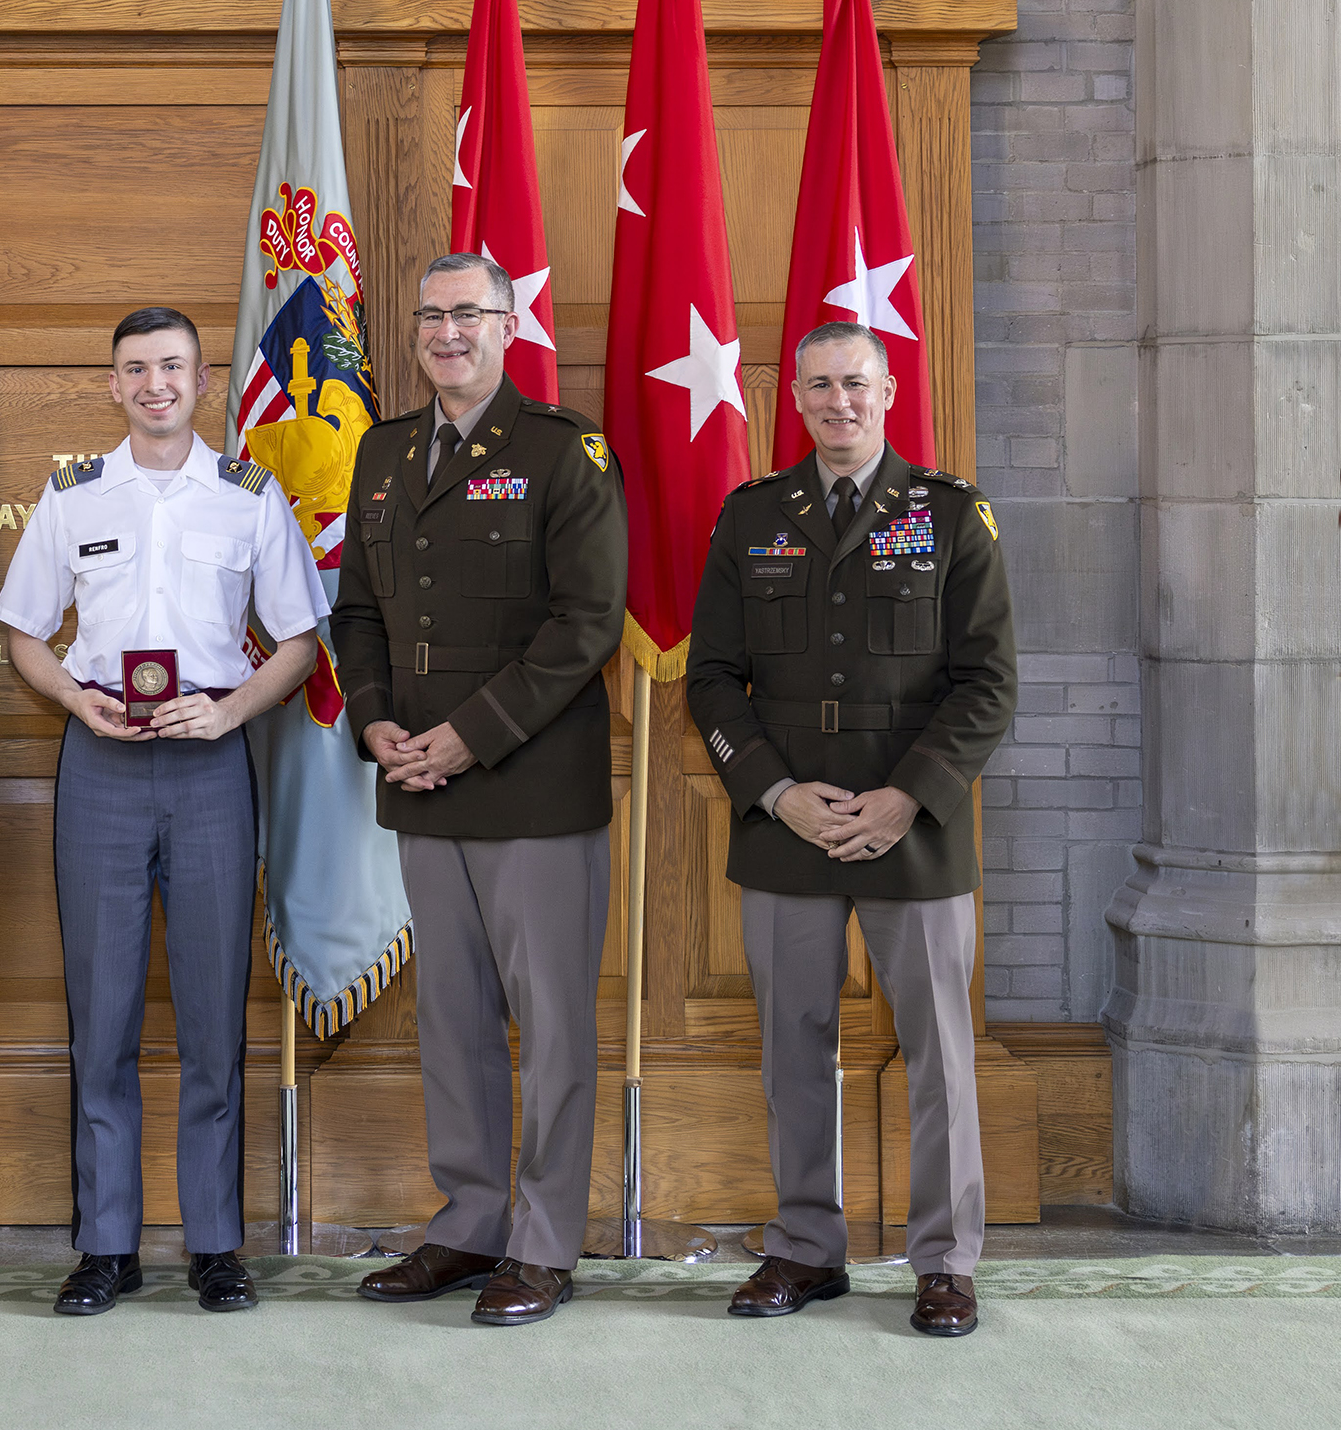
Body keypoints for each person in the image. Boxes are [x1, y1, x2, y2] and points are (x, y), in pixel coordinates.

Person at [0, 306, 325, 1316]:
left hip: (212, 769)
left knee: (215, 1011)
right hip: (100, 764)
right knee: (102, 1013)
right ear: (113, 384)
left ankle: (216, 1242)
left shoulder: (248, 497)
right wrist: (72, 696)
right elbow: (22, 633)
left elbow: (300, 642)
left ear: (201, 378)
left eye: (172, 366)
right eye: (136, 368)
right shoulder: (71, 493)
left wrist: (228, 709)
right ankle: (106, 1242)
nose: (154, 384)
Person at [688, 320, 1015, 1337]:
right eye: (821, 385)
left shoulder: (951, 515)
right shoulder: (751, 517)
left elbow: (987, 683)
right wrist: (777, 793)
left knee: (938, 1051)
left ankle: (945, 1261)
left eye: (857, 384)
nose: (840, 401)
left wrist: (908, 794)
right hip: (788, 823)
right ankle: (804, 1247)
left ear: (890, 390)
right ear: (794, 396)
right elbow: (711, 678)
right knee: (793, 1044)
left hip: (911, 824)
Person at [332, 253, 628, 1328]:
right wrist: (375, 720)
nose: (447, 331)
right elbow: (357, 608)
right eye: (432, 315)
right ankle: (468, 1221)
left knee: (550, 1025)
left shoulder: (563, 449)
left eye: (469, 313)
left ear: (509, 324)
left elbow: (586, 624)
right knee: (450, 1019)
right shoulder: (383, 451)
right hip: (417, 780)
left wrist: (466, 735)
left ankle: (544, 1243)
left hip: (532, 788)